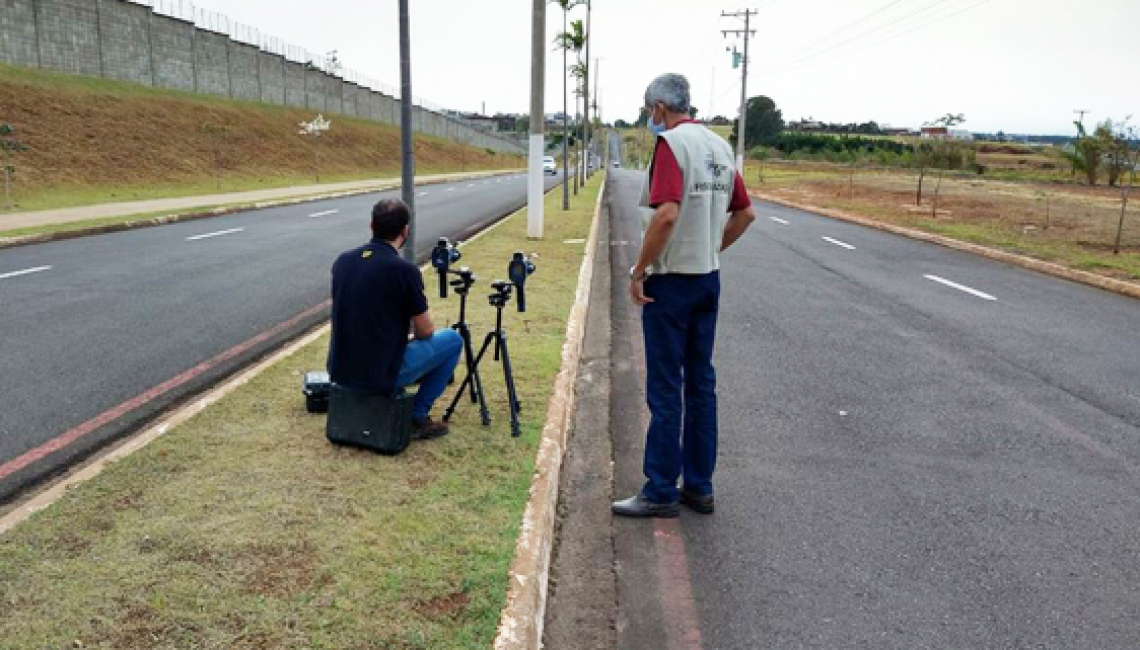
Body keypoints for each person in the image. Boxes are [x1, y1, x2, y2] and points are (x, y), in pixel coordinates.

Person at [612, 73, 757, 518]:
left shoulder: (671, 147)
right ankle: (699, 485)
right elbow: (745, 215)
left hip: (671, 282)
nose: (648, 117)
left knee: (665, 386)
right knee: (701, 384)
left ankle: (659, 489)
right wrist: (711, 248)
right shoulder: (718, 147)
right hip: (706, 279)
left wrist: (639, 270)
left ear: (658, 107)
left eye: (647, 109)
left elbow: (666, 216)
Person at [327, 198, 462, 439]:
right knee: (452, 339)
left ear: (371, 225)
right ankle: (417, 416)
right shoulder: (404, 271)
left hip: (340, 370)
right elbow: (426, 331)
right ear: (405, 231)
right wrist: (413, 336)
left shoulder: (342, 261)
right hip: (380, 374)